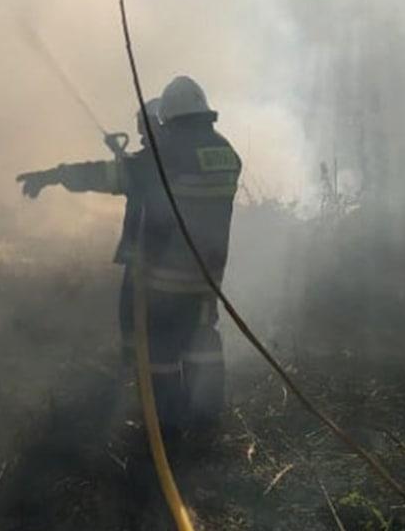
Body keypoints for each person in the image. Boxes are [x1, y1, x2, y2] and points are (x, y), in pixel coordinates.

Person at [16, 76, 241, 440]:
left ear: (170, 119)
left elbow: (108, 175)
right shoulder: (227, 153)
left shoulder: (166, 157)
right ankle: (207, 420)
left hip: (164, 284)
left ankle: (166, 427)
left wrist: (54, 175)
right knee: (203, 345)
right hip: (207, 278)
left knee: (161, 355)